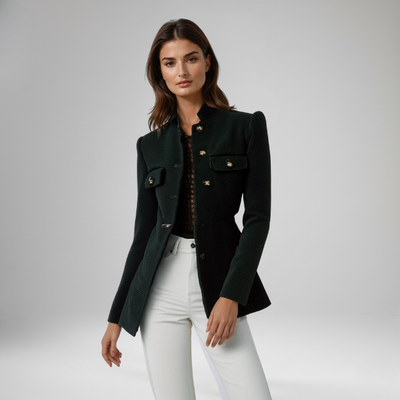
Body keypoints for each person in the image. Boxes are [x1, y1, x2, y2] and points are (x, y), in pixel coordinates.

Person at [101, 18, 273, 400]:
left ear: (207, 62)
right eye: (170, 62)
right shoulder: (149, 145)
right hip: (159, 288)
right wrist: (116, 316)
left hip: (218, 281)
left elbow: (258, 219)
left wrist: (232, 294)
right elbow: (144, 234)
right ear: (160, 73)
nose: (181, 71)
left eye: (191, 58)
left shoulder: (246, 127)